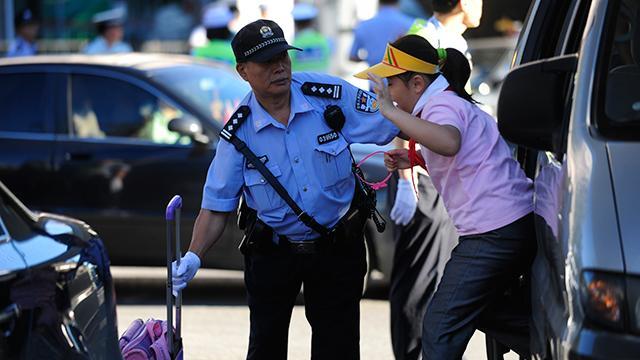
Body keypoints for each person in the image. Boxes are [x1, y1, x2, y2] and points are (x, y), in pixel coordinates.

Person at [171, 19, 399, 359]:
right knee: (266, 346)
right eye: (267, 62)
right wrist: (193, 256)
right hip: (273, 252)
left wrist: (438, 119)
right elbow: (216, 206)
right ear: (243, 71)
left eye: (284, 57)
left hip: (337, 246)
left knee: (338, 348)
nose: (279, 67)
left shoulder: (328, 97)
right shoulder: (238, 134)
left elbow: (391, 122)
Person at [357, 34, 535, 359]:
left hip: (492, 233)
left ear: (416, 83)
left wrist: (388, 112)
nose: (390, 95)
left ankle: (545, 343)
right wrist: (417, 158)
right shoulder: (447, 102)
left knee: (439, 327)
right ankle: (547, 343)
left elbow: (450, 142)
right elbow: (466, 153)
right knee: (479, 308)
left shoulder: (442, 104)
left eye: (391, 86)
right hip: (509, 225)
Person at [388, 1, 482, 358]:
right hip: (419, 175)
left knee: (437, 276)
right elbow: (402, 107)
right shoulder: (422, 37)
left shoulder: (450, 37)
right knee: (419, 278)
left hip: (436, 169)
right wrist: (409, 177)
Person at [349, 0, 414, 67]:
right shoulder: (412, 23)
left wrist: (369, 59)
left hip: (374, 75)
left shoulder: (363, 26)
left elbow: (352, 56)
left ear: (378, 2)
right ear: (399, 3)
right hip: (402, 75)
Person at [290, 3, 331, 73]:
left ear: (296, 23)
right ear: (312, 22)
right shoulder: (323, 40)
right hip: (323, 81)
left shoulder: (295, 43)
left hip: (301, 82)